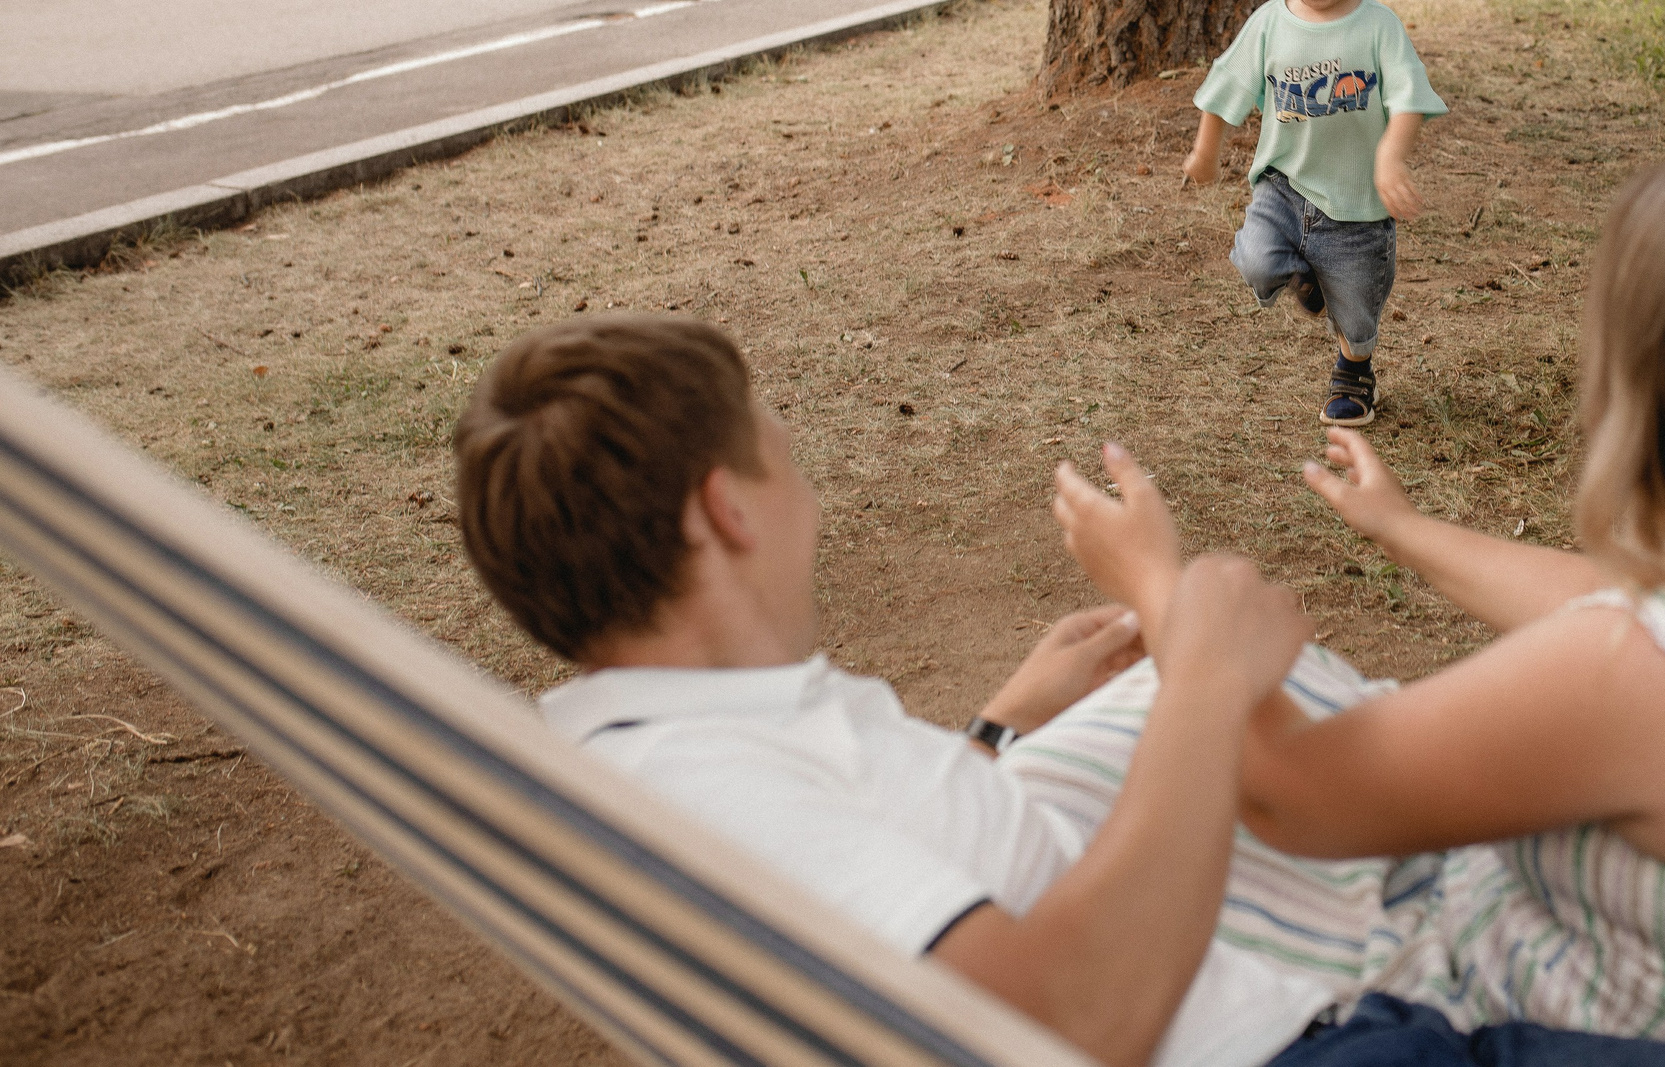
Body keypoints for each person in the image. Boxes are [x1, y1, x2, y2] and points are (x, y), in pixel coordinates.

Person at [1051, 153, 1665, 1064]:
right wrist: (1403, 528)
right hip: (1634, 997)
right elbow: (1619, 607)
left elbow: (1284, 795)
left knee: (1098, 786)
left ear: (1644, 382)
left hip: (1442, 1012)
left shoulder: (1637, 678)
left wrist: (1158, 588)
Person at [450, 314, 1334, 1067]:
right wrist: (1206, 683)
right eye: (785, 461)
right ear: (728, 510)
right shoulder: (711, 798)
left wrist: (1002, 722)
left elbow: (863, 870)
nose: (812, 501)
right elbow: (1065, 1025)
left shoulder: (657, 748)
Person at [1183, 0, 1447, 428]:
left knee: (1357, 310)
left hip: (1358, 208)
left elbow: (1408, 98)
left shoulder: (1378, 28)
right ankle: (1302, 277)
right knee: (1256, 261)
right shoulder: (1268, 25)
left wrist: (1390, 156)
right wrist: (1205, 155)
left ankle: (1354, 370)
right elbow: (1223, 87)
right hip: (1285, 187)